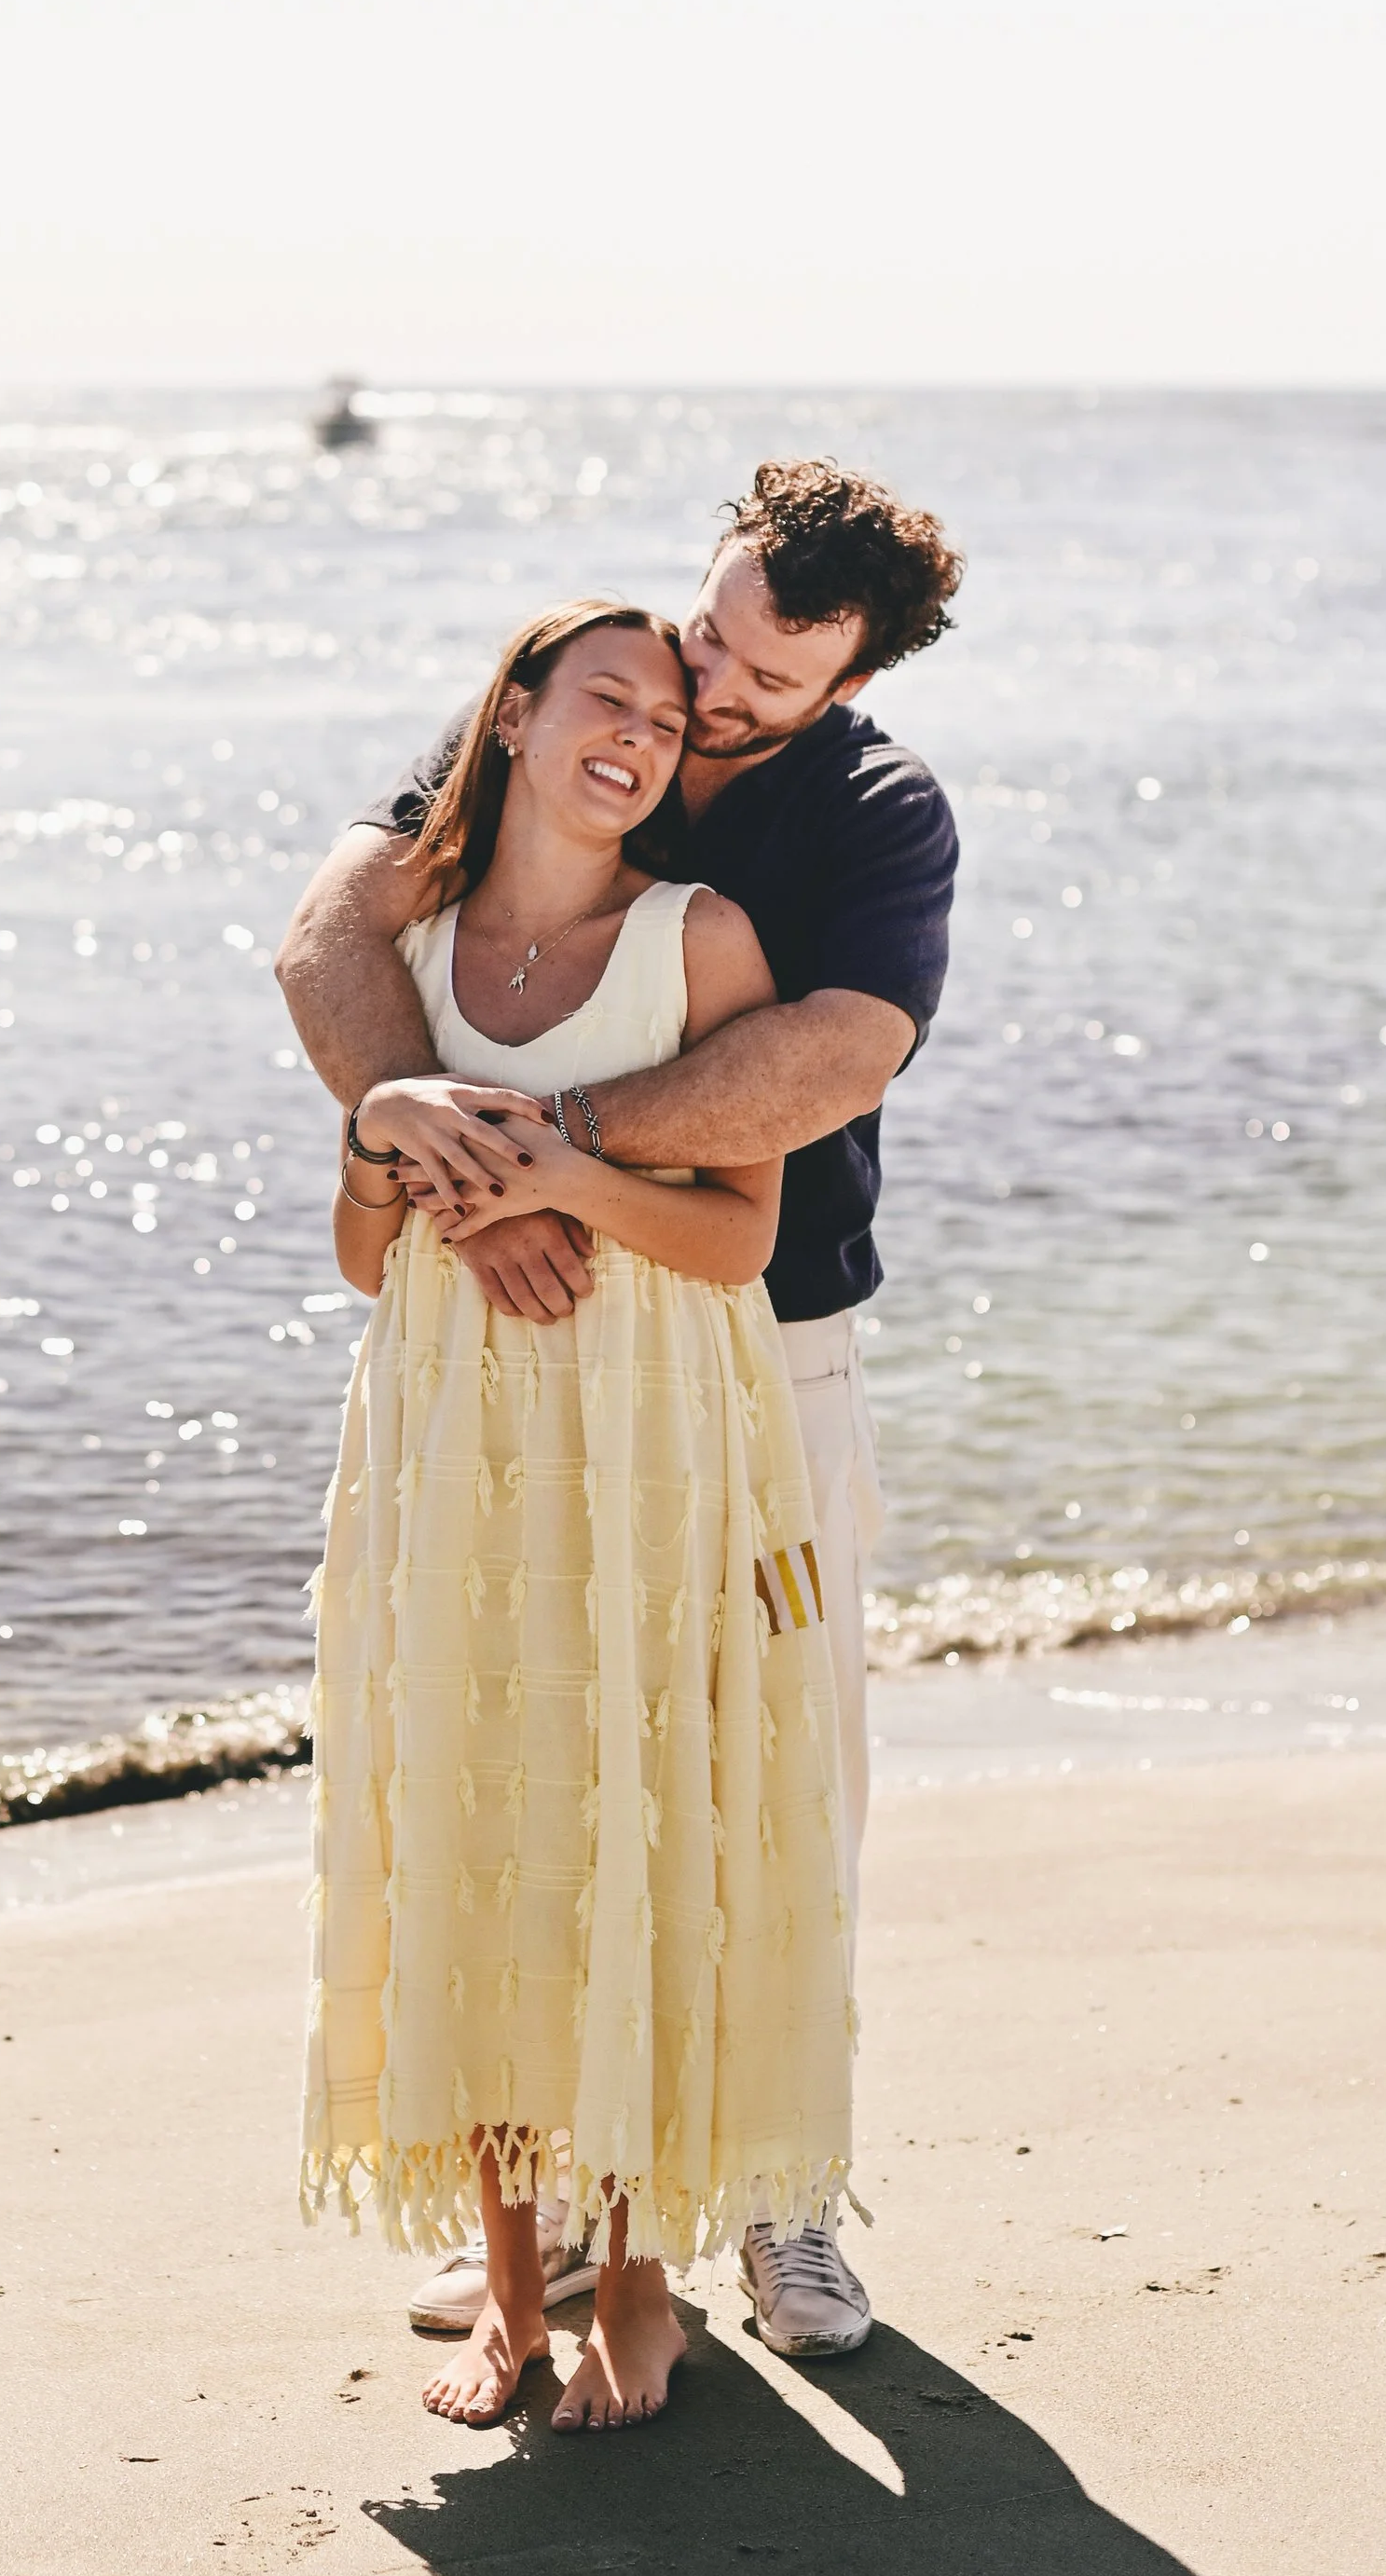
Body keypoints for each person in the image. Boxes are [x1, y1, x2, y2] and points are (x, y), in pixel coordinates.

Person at [280, 458, 963, 2360]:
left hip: (764, 1344)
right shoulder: (597, 694)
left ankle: (772, 2200)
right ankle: (568, 2216)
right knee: (542, 1770)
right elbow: (338, 928)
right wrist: (397, 1138)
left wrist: (531, 1154)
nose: (709, 698)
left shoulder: (877, 814)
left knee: (765, 1778)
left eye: (761, 686)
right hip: (502, 1367)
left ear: (847, 683)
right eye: (708, 639)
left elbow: (828, 1058)